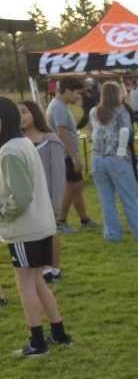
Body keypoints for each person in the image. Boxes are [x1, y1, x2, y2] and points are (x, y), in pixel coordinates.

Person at [0, 97, 73, 356]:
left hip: (24, 228)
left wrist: (3, 214)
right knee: (38, 281)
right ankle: (59, 334)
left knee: (25, 284)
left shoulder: (10, 150)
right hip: (41, 226)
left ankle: (37, 343)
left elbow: (21, 195)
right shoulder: (24, 143)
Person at [88, 82, 138, 242]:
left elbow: (92, 134)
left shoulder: (94, 112)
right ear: (116, 94)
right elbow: (126, 132)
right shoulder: (121, 112)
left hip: (97, 158)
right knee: (128, 198)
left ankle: (112, 234)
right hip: (117, 158)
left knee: (106, 200)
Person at [18, 100, 67, 282]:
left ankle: (52, 269)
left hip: (46, 197)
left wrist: (56, 205)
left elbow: (58, 175)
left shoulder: (50, 140)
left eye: (24, 112)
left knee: (50, 232)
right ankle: (37, 268)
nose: (21, 117)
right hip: (25, 199)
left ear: (34, 114)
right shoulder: (16, 142)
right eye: (18, 113)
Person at [46, 78, 100, 233]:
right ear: (68, 90)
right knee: (70, 187)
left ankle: (84, 220)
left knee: (77, 186)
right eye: (78, 93)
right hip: (64, 154)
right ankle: (60, 222)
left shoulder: (62, 106)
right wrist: (74, 156)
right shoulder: (58, 107)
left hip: (67, 153)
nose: (79, 97)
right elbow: (61, 133)